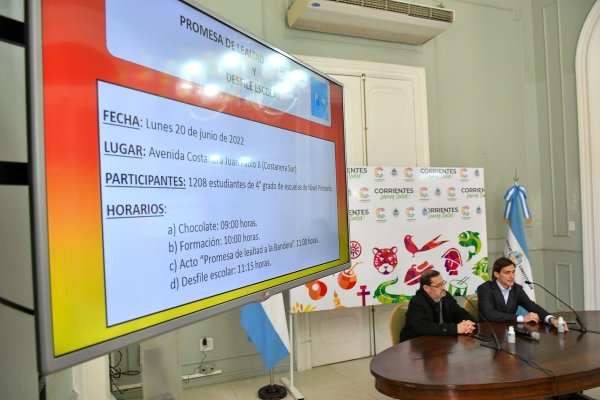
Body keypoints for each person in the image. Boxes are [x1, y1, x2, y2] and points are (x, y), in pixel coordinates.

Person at [477, 257, 567, 331]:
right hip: (489, 333)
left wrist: (551, 319)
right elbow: (490, 314)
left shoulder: (517, 289)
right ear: (496, 274)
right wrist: (521, 318)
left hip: (510, 331)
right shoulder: (485, 289)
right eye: (507, 273)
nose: (512, 276)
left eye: (513, 272)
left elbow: (531, 306)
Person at [400, 269, 477, 342]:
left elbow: (459, 313)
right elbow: (423, 327)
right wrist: (455, 329)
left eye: (443, 283)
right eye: (439, 285)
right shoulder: (417, 302)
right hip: (417, 345)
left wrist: (469, 323)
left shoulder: (446, 296)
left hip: (442, 342)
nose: (443, 287)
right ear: (426, 288)